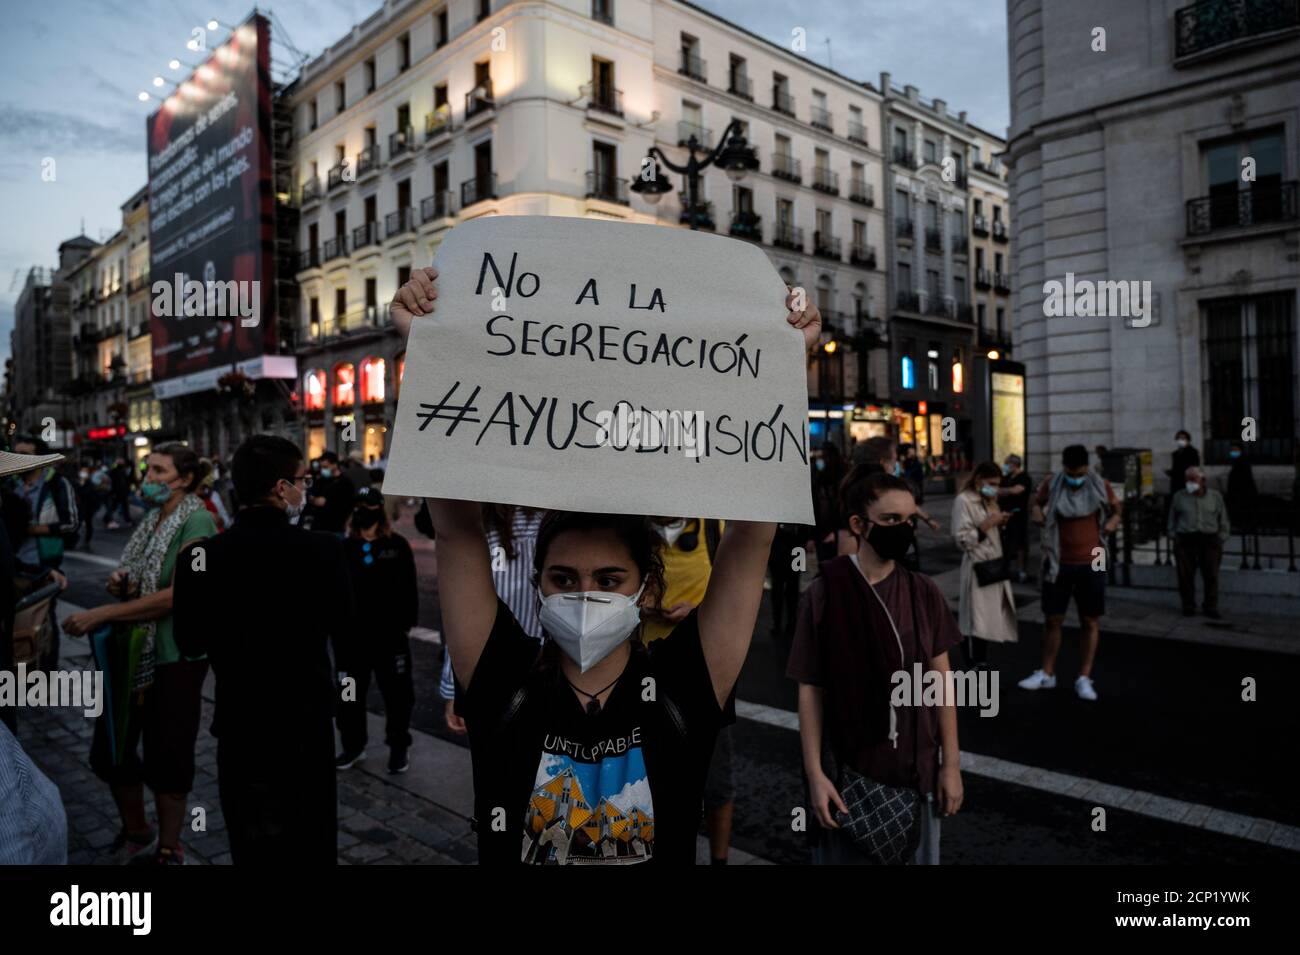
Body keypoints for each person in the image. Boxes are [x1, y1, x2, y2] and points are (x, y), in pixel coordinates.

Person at [392, 267, 818, 865]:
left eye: (609, 580)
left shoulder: (683, 685)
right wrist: (430, 348)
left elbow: (751, 534)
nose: (584, 594)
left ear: (644, 586)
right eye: (563, 579)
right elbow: (458, 529)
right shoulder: (503, 679)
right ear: (537, 583)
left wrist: (780, 365)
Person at [173, 435, 353, 865]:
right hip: (305, 724)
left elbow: (189, 642)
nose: (305, 489)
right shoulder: (324, 549)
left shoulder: (200, 558)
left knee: (251, 845)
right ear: (279, 487)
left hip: (241, 727)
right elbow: (347, 633)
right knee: (311, 841)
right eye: (301, 481)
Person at [787, 469, 963, 864]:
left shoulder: (923, 592)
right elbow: (810, 688)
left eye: (908, 520)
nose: (902, 529)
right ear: (858, 525)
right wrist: (816, 775)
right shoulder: (824, 593)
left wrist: (950, 764)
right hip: (847, 775)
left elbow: (942, 682)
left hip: (916, 773)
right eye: (889, 520)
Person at [62, 444, 217, 865]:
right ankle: (136, 830)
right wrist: (120, 582)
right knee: (111, 748)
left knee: (169, 755)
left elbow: (182, 593)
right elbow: (139, 576)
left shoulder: (198, 519)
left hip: (174, 657)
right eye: (148, 470)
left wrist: (105, 612)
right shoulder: (152, 519)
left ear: (184, 480)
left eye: (158, 472)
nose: (147, 479)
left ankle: (170, 847)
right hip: (130, 652)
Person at [643, 516, 737, 866]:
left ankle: (720, 859)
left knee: (716, 778)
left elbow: (738, 590)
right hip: (641, 671)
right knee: (652, 776)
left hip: (706, 671)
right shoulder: (628, 527)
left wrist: (698, 612)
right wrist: (640, 606)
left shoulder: (714, 525)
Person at [1019, 444, 1121, 701]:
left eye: (1080, 472)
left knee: (1090, 619)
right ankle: (1047, 672)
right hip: (1057, 559)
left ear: (1087, 468)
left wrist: (1112, 522)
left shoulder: (1100, 484)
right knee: (1053, 618)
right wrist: (1036, 513)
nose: (1076, 477)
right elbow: (1036, 504)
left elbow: (1117, 510)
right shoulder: (1052, 484)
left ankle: (1084, 677)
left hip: (1095, 558)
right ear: (1064, 467)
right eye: (1071, 472)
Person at [437, 503, 544, 735]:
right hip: (549, 669)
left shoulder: (476, 533)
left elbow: (464, 618)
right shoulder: (551, 525)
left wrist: (454, 690)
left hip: (492, 676)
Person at [335, 486, 418, 774]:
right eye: (358, 506)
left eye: (368, 506)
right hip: (350, 641)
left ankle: (398, 748)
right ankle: (353, 746)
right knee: (348, 696)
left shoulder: (396, 546)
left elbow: (409, 590)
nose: (362, 512)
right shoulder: (344, 548)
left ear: (379, 510)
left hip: (389, 639)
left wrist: (404, 626)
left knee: (397, 697)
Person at [9, 436, 80, 670]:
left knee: (44, 620)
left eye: (26, 454)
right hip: (15, 564)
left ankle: (45, 671)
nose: (20, 458)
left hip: (44, 564)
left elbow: (70, 523)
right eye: (16, 452)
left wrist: (30, 528)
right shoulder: (10, 484)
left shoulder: (56, 484)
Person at [952, 463, 1018, 669]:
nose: (995, 488)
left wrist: (1001, 522)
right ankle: (974, 668)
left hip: (994, 565)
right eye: (991, 483)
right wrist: (988, 523)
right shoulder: (964, 501)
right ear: (979, 479)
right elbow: (961, 539)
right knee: (975, 622)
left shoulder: (989, 499)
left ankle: (980, 666)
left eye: (998, 485)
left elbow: (991, 533)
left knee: (986, 622)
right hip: (978, 567)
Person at [1168, 466, 1231, 619]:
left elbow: (1223, 519)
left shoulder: (1215, 497)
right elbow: (1172, 519)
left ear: (1203, 481)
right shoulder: (1179, 497)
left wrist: (1221, 537)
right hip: (1185, 538)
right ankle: (1188, 605)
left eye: (1193, 479)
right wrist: (1174, 536)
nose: (1190, 483)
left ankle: (1210, 606)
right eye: (1187, 480)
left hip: (1209, 539)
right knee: (1185, 576)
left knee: (1211, 575)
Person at [998, 454, 1033, 582]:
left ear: (1014, 464)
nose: (1005, 466)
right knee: (1005, 542)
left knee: (1020, 543)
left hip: (1018, 515)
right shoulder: (1006, 477)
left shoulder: (1024, 477)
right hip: (1004, 514)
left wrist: (1001, 490)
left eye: (1007, 463)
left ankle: (1021, 570)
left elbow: (1017, 490)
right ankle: (1004, 568)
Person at [302, 451, 354, 534]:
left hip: (336, 527)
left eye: (325, 467)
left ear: (335, 465)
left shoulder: (344, 483)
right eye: (322, 467)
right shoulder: (321, 481)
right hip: (318, 527)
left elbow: (321, 502)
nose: (323, 470)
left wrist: (315, 500)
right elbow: (311, 497)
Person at [1225, 443, 1258, 533]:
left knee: (1243, 513)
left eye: (1236, 450)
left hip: (1242, 494)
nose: (1233, 452)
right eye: (1232, 450)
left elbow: (1242, 479)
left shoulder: (1242, 462)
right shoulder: (1238, 462)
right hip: (1240, 494)